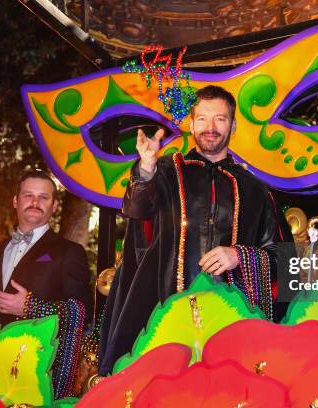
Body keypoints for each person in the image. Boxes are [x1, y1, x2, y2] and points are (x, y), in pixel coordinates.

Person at [98, 85, 288, 375]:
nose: (210, 127)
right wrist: (146, 169)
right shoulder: (165, 171)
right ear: (190, 123)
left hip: (232, 325)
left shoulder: (255, 189)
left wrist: (240, 256)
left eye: (220, 119)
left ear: (233, 126)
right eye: (202, 119)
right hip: (165, 321)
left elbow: (284, 258)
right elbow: (136, 210)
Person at [0, 170, 92, 398]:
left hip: (32, 374)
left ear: (54, 206)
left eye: (44, 197)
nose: (35, 202)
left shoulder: (69, 253)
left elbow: (82, 312)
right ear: (15, 201)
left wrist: (31, 307)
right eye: (28, 195)